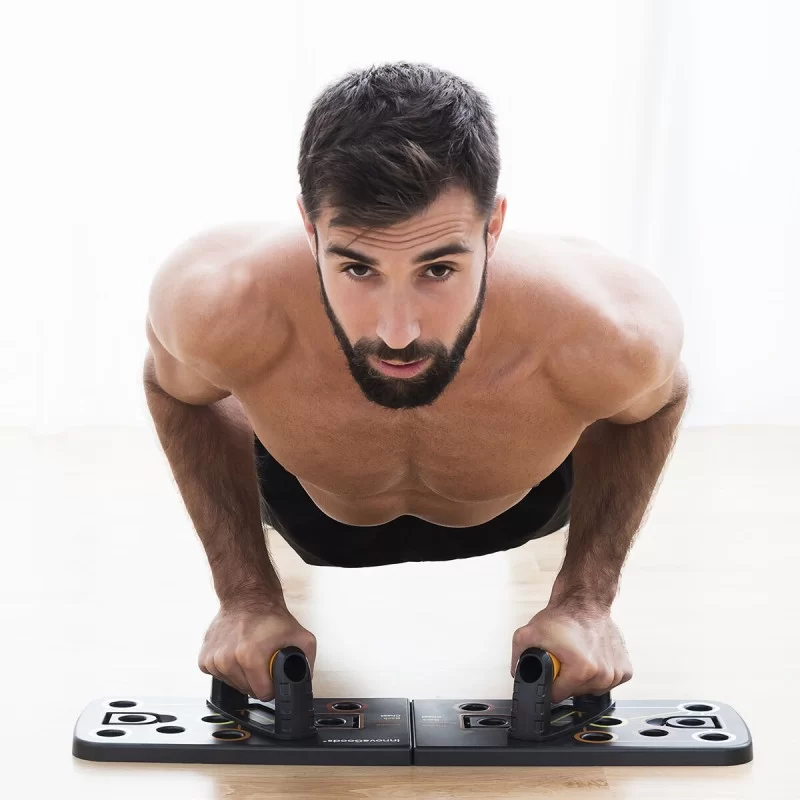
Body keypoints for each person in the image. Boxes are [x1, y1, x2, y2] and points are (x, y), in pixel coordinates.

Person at [143, 62, 689, 708]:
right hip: (309, 503)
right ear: (309, 230)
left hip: (524, 494)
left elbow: (658, 400)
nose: (397, 331)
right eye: (357, 268)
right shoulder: (220, 301)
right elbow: (175, 387)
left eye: (437, 269)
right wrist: (244, 596)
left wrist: (586, 601)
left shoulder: (605, 326)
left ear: (494, 228)